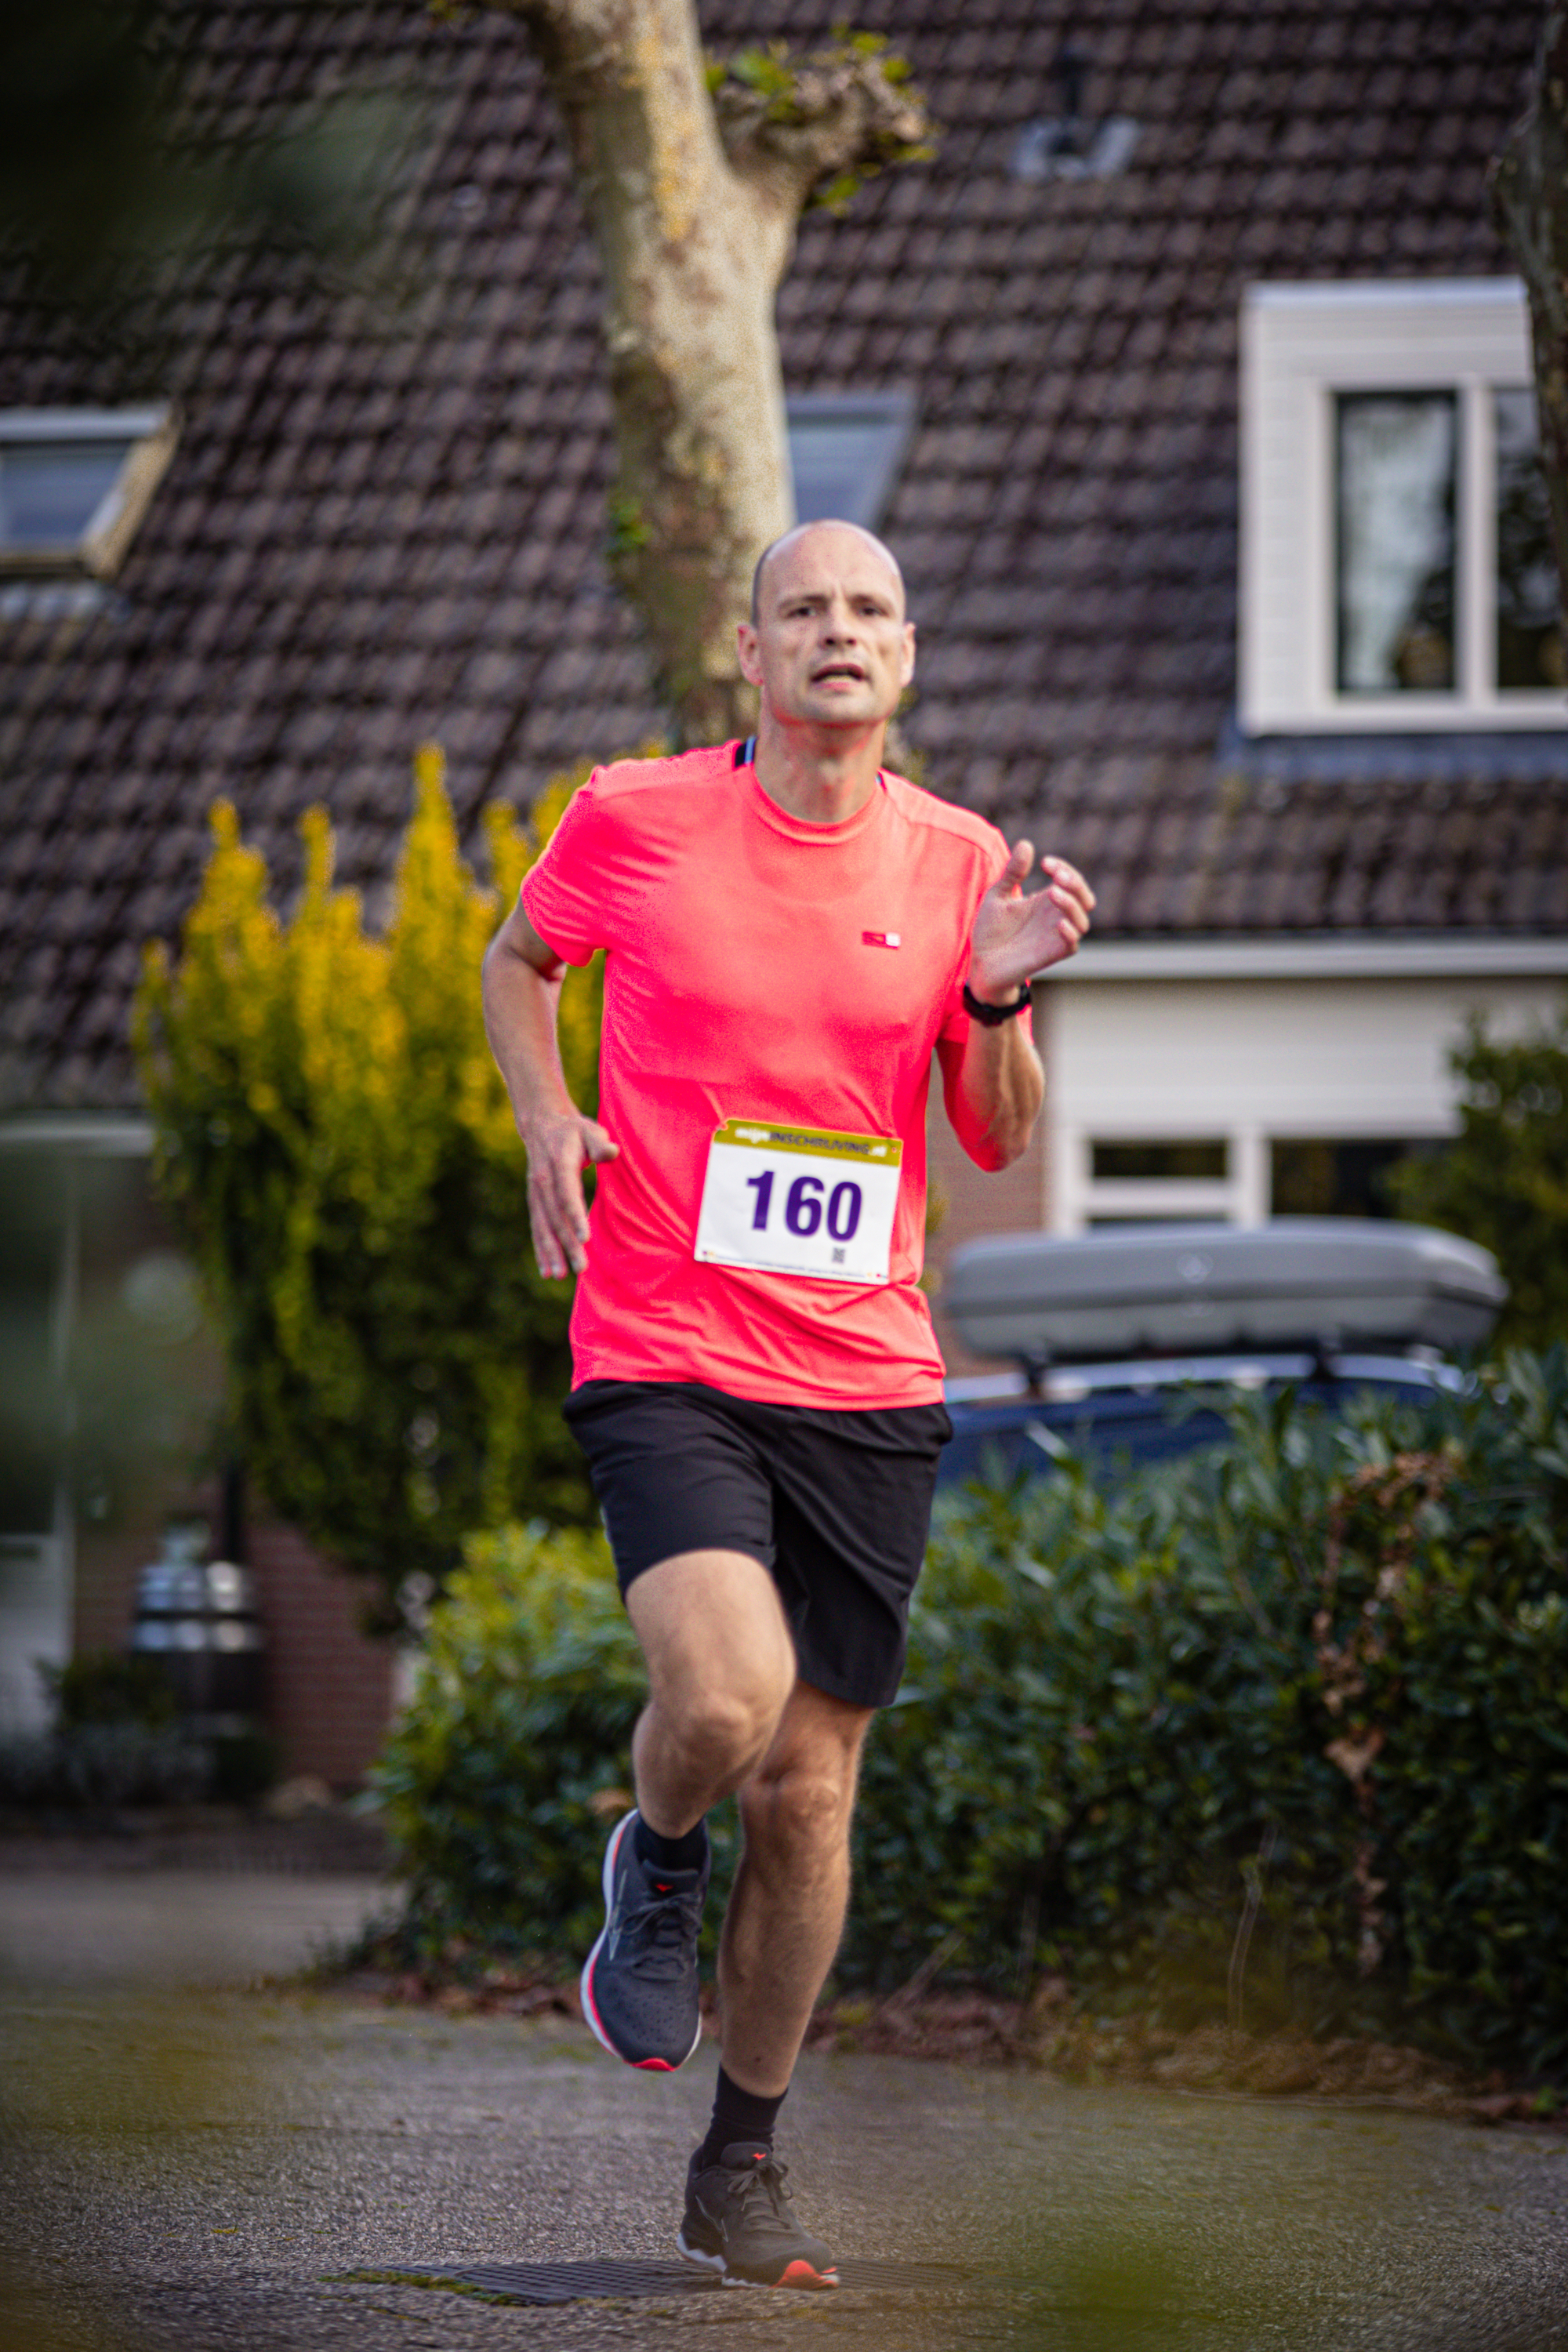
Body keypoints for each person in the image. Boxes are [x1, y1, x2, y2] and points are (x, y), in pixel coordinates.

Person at [481, 517, 1093, 2290]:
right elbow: (521, 962)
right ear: (746, 656)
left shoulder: (962, 856)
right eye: (804, 609)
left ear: (905, 657)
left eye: (871, 610)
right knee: (728, 1691)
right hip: (666, 1337)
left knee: (814, 1794)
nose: (839, 633)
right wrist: (543, 1113)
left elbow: (995, 1129)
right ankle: (652, 1855)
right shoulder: (638, 815)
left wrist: (992, 991)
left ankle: (738, 2163)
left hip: (865, 1374)